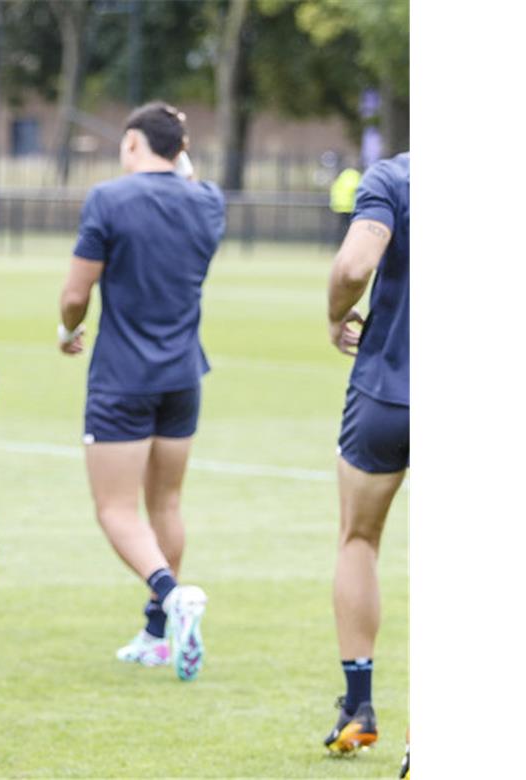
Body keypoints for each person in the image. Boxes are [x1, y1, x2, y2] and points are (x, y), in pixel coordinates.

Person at [56, 102, 223, 681]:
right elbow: (191, 179)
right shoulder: (208, 199)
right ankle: (157, 633)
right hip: (183, 377)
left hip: (123, 377)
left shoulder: (110, 198)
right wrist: (179, 144)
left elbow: (77, 292)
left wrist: (68, 328)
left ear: (131, 143)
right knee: (167, 505)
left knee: (115, 510)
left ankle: (172, 596)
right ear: (180, 150)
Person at [322, 152, 409, 754]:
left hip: (387, 390)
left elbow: (354, 265)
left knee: (359, 538)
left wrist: (334, 316)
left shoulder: (397, 175)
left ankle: (359, 707)